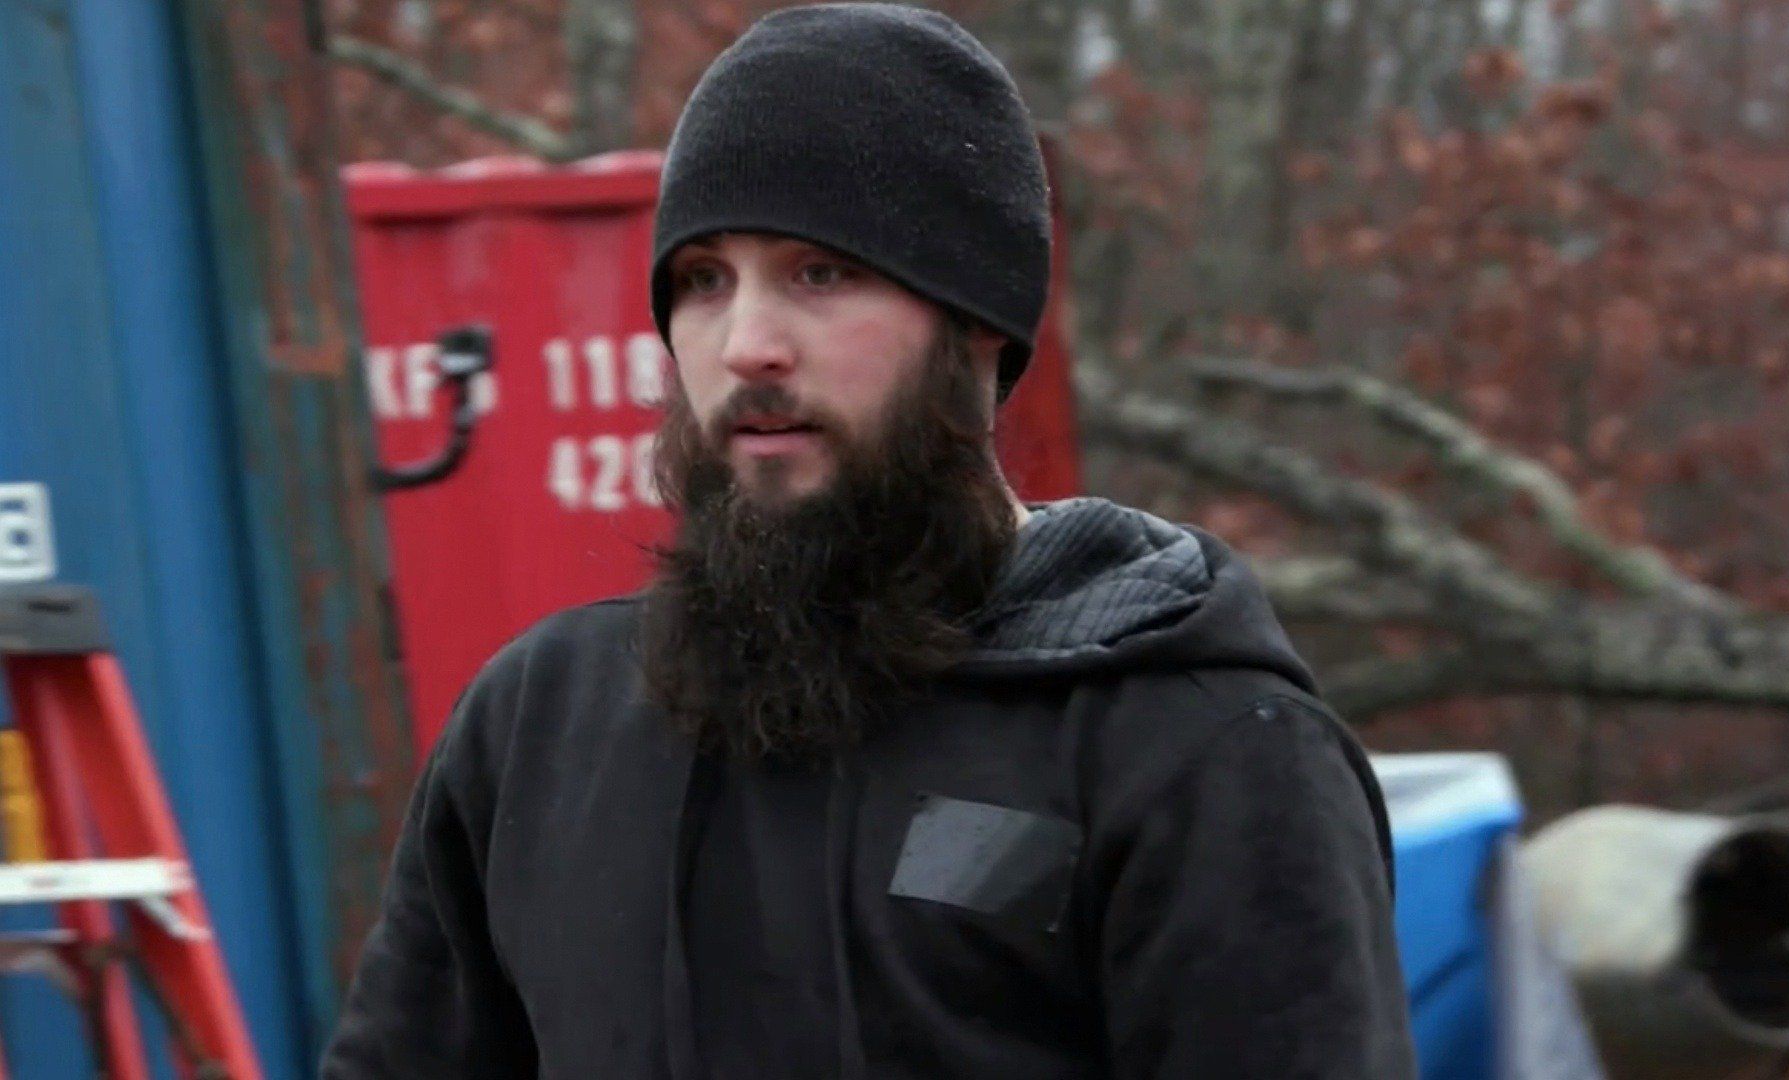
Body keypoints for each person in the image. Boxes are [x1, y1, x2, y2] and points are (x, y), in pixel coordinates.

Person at [320, 5, 1415, 1078]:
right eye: (703, 281)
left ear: (977, 321)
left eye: (821, 272)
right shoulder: (541, 727)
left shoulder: (1198, 748)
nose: (747, 345)